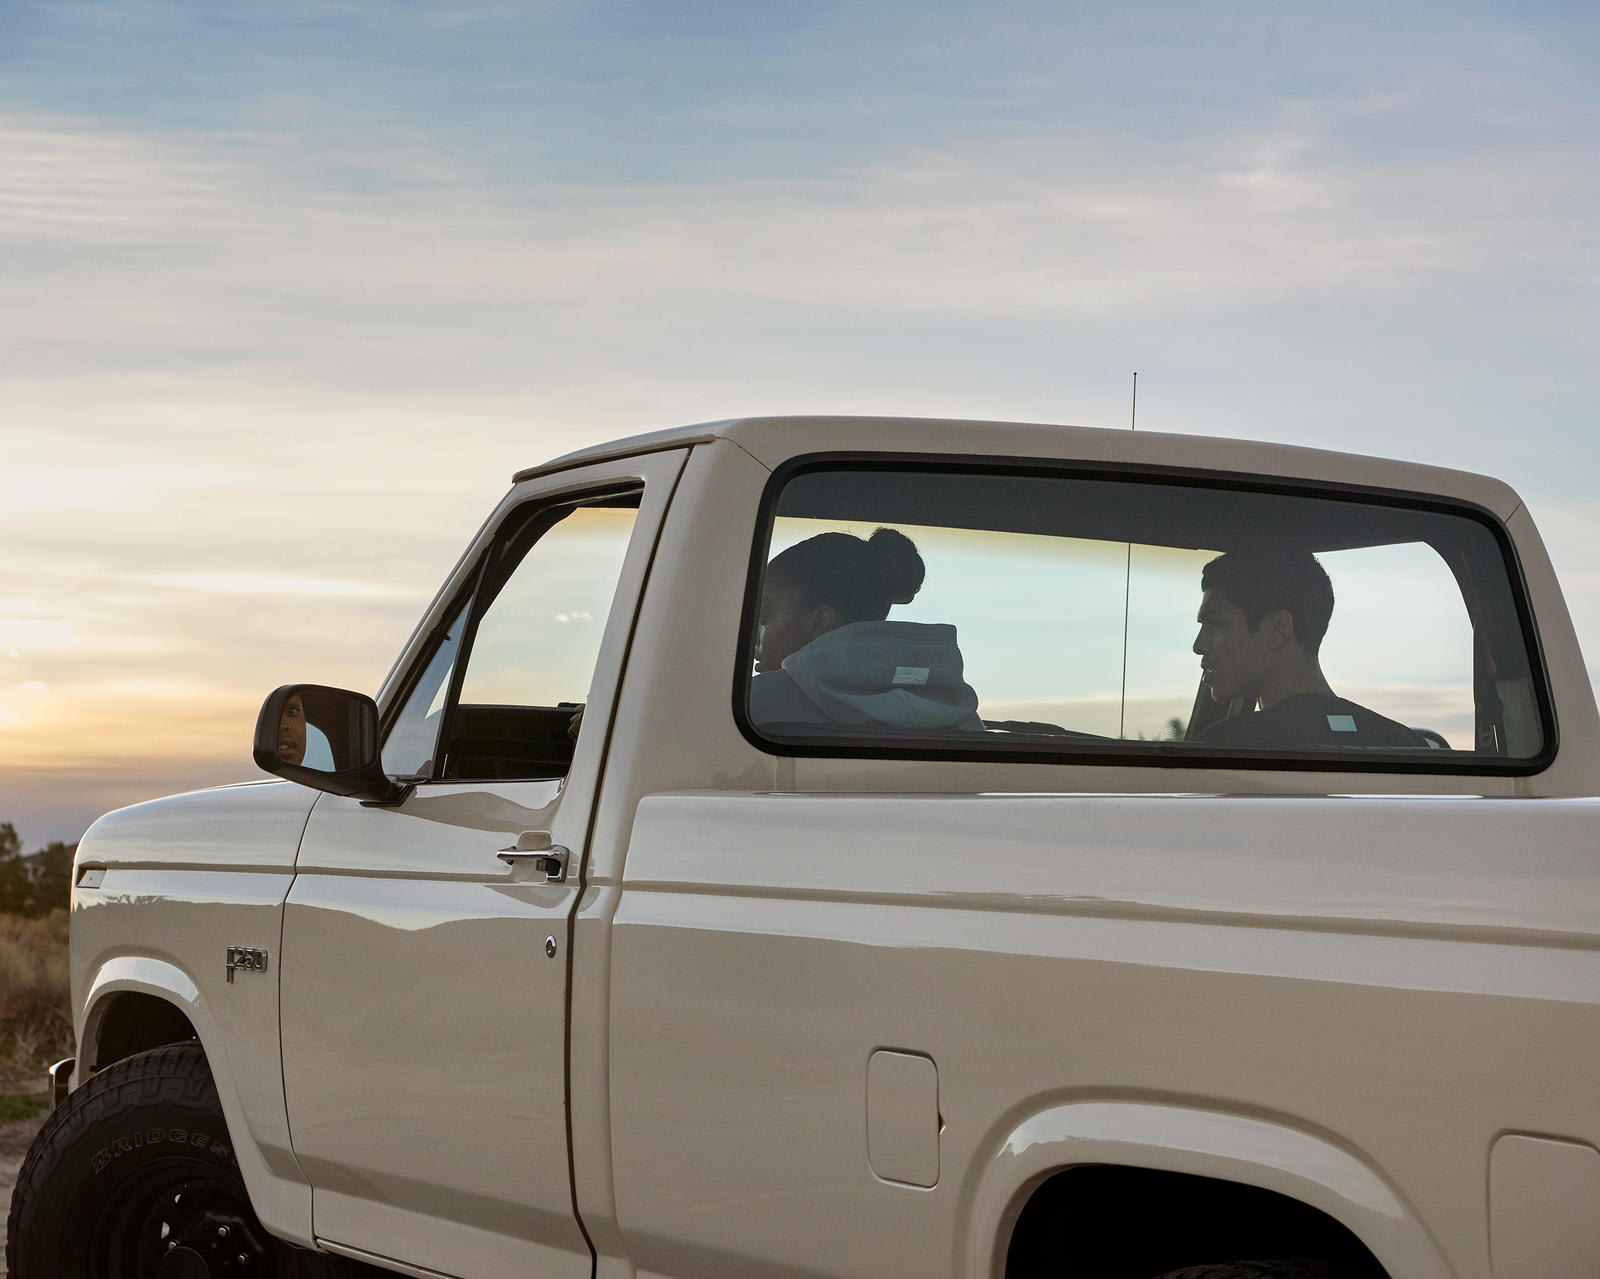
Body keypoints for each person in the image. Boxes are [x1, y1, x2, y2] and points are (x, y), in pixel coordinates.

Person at [749, 527, 984, 733]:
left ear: (819, 621)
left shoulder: (752, 708)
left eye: (764, 617)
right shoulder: (964, 717)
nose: (755, 639)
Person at [1191, 548, 1425, 750]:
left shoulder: (1226, 746)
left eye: (1215, 624)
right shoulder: (1407, 744)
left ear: (1279, 629)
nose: (1198, 645)